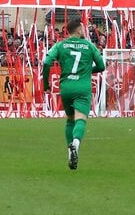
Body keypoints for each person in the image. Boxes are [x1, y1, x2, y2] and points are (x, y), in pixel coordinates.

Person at [41, 18, 106, 170]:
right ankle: (75, 143)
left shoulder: (61, 45)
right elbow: (102, 66)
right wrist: (87, 71)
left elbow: (46, 62)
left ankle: (70, 153)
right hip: (82, 87)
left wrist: (46, 85)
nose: (84, 31)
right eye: (83, 28)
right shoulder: (89, 46)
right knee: (81, 119)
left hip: (66, 88)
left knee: (70, 120)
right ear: (78, 30)